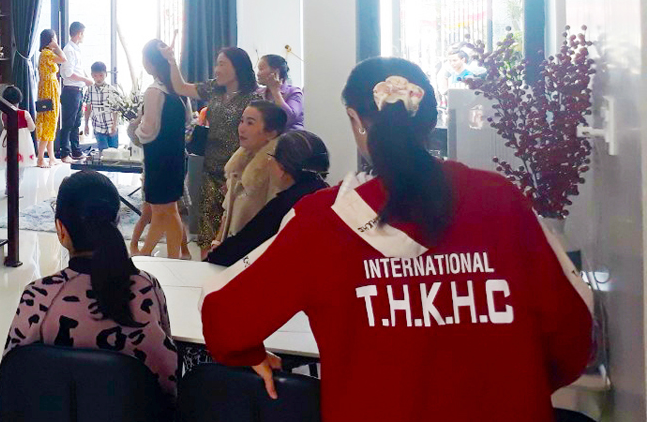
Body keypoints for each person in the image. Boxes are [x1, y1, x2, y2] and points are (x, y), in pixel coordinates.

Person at [200, 57, 594, 420]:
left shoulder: (323, 221)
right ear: (430, 121)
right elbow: (574, 336)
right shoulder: (502, 200)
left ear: (355, 120)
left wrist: (251, 354)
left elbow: (224, 321)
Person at [3, 171, 179, 398]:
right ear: (117, 222)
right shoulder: (146, 288)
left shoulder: (38, 297)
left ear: (61, 229)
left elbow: (12, 378)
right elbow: (169, 378)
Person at [161, 44, 260, 254]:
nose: (217, 69)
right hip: (210, 167)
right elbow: (181, 87)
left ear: (237, 67)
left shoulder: (253, 99)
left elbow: (257, 141)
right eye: (216, 64)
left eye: (222, 64)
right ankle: (205, 265)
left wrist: (239, 175)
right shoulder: (214, 88)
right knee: (207, 226)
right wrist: (172, 61)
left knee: (232, 230)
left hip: (238, 172)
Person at [207, 130, 329, 266]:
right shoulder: (328, 196)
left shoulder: (283, 206)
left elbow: (237, 248)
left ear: (282, 168)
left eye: (273, 157)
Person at [130, 41, 189, 259]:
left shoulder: (154, 91)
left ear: (151, 63)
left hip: (158, 158)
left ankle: (146, 256)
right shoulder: (177, 90)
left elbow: (149, 130)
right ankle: (173, 257)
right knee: (170, 210)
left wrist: (135, 131)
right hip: (176, 156)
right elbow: (188, 120)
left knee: (161, 212)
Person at [212, 100, 288, 250]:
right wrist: (217, 242)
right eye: (242, 121)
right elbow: (228, 211)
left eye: (250, 123)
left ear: (271, 133)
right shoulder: (239, 161)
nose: (241, 128)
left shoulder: (275, 169)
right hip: (231, 248)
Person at [57, 21, 94, 162]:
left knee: (76, 123)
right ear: (79, 33)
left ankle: (76, 151)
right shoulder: (69, 50)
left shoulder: (76, 49)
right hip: (71, 91)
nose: (83, 36)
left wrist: (85, 79)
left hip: (78, 90)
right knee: (68, 123)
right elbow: (68, 73)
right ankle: (65, 153)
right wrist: (85, 79)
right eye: (83, 34)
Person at [34, 29, 66, 167]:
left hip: (48, 88)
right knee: (49, 122)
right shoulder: (47, 53)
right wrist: (57, 47)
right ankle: (41, 158)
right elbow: (64, 59)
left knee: (51, 123)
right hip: (49, 90)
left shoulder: (45, 54)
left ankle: (51, 157)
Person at [257, 54, 304, 130]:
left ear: (275, 72)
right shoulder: (258, 93)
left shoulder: (294, 92)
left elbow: (288, 118)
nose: (258, 74)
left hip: (290, 136)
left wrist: (275, 91)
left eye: (261, 69)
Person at [84, 61, 123, 150]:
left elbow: (116, 109)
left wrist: (115, 124)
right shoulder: (89, 90)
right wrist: (86, 124)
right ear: (92, 75)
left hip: (111, 126)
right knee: (103, 152)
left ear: (106, 74)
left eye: (101, 75)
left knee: (114, 152)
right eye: (95, 75)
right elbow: (88, 108)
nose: (98, 78)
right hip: (98, 126)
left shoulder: (112, 90)